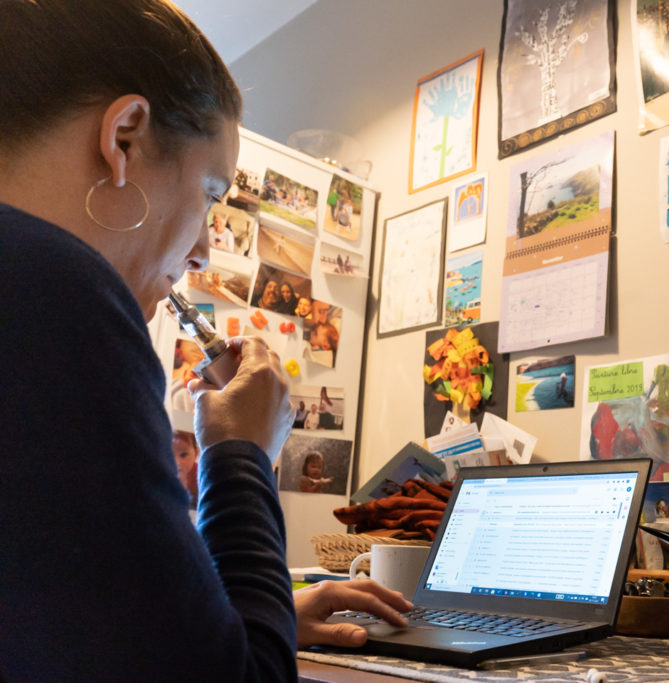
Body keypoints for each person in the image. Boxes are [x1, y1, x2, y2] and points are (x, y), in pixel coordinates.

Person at [0, 2, 409, 680]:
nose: (204, 250)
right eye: (212, 194)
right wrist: (242, 453)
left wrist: (262, 608)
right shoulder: (57, 287)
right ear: (124, 137)